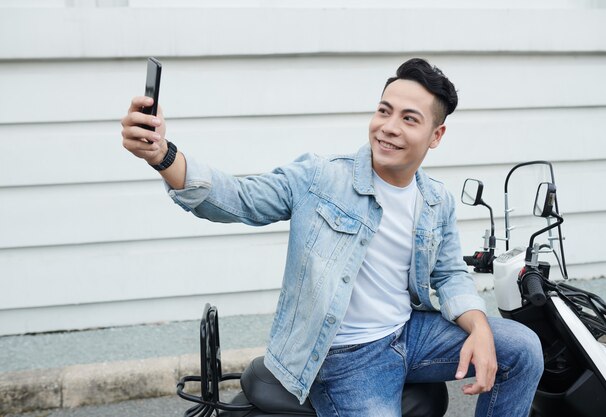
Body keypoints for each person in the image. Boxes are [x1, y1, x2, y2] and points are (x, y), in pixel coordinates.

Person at [121, 58, 543, 417]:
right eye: (384, 111)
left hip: (408, 333)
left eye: (409, 118)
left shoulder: (435, 200)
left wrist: (479, 327)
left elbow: (450, 275)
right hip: (346, 357)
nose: (388, 127)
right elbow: (238, 199)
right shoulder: (321, 178)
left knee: (523, 348)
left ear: (436, 136)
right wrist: (163, 155)